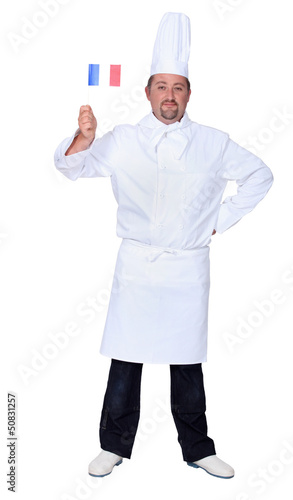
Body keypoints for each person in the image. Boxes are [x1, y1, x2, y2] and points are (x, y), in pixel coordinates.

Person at [54, 13, 273, 480]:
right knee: (125, 362)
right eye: (161, 87)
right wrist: (85, 139)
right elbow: (72, 169)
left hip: (186, 270)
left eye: (178, 87)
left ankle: (197, 447)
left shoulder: (213, 143)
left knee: (187, 365)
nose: (169, 96)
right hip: (136, 266)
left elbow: (261, 175)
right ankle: (112, 446)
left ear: (188, 93)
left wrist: (219, 221)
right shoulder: (124, 140)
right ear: (148, 91)